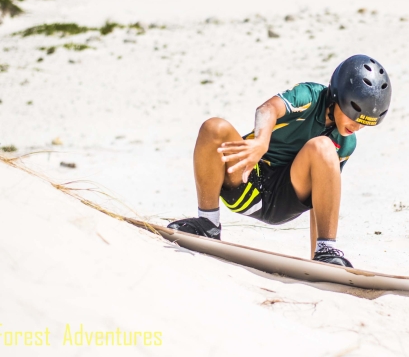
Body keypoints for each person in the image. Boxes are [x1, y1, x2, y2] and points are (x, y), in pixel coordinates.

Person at [167, 54, 392, 267]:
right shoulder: (309, 96)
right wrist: (261, 142)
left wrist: (321, 257)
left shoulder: (346, 144)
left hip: (285, 200)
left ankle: (326, 249)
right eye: (355, 116)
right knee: (213, 127)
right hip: (247, 180)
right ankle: (208, 224)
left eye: (366, 123)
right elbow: (267, 109)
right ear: (338, 98)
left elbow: (321, 198)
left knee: (322, 146)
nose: (357, 126)